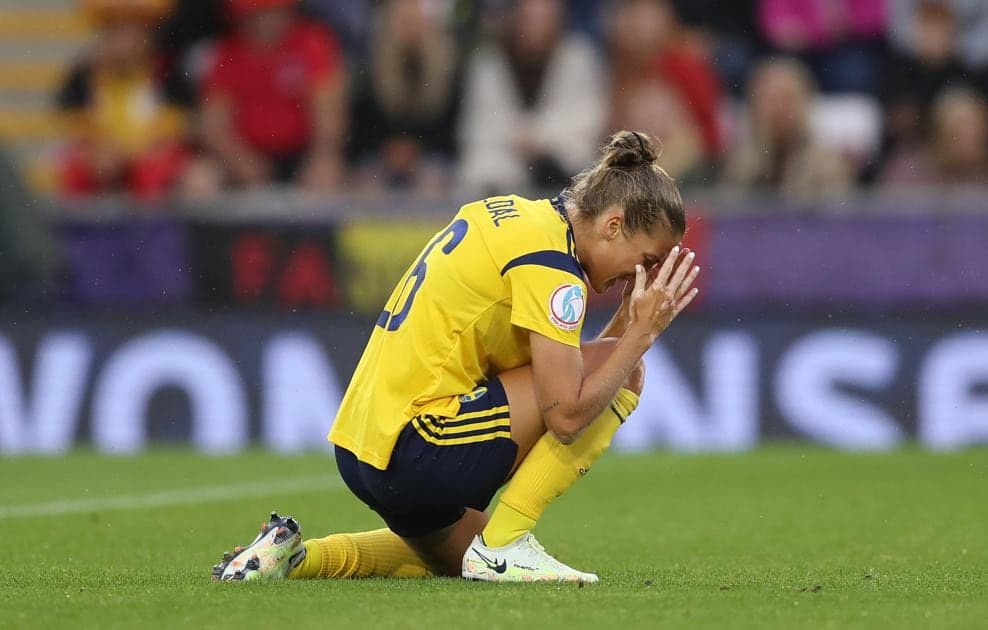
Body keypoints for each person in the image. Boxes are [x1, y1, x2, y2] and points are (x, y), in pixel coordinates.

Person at [212, 131, 700, 583]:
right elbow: (567, 415)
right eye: (649, 260)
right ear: (613, 225)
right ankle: (505, 545)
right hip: (418, 445)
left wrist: (628, 325)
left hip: (362, 446)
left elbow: (579, 363)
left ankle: (292, 557)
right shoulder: (552, 266)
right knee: (629, 371)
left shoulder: (516, 217)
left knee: (462, 561)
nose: (647, 275)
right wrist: (639, 339)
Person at [184, 0, 347, 196]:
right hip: (246, 156)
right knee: (199, 179)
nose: (268, 20)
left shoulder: (313, 42)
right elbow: (214, 125)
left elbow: (328, 112)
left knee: (328, 176)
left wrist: (323, 156)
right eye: (259, 13)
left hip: (301, 155)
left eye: (274, 11)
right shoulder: (226, 53)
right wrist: (240, 159)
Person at [457, 0, 607, 195]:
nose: (536, 28)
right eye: (529, 19)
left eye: (544, 20)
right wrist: (519, 137)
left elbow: (588, 116)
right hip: (501, 162)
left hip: (563, 162)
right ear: (515, 19)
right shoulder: (488, 62)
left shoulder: (578, 58)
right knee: (479, 170)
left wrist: (540, 139)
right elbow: (478, 123)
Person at [55, 0, 190, 201]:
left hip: (148, 155)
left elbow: (176, 125)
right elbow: (74, 122)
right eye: (118, 31)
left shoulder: (165, 72)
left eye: (134, 31)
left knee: (158, 172)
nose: (127, 40)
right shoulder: (85, 74)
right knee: (78, 170)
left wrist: (133, 153)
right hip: (103, 155)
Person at [724, 58, 853, 198]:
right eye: (771, 100)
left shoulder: (827, 165)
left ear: (805, 102)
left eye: (787, 99)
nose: (780, 109)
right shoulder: (739, 164)